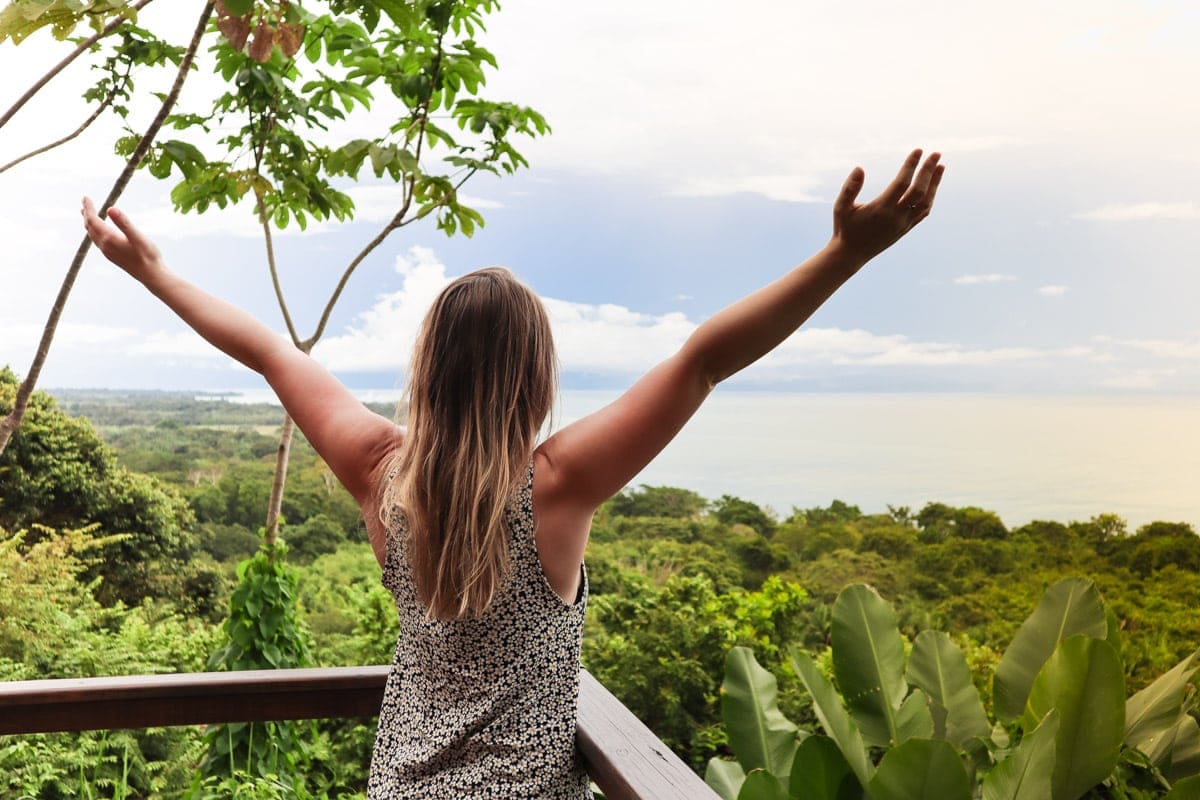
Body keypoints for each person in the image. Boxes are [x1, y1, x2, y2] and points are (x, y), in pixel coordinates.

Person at [82, 148, 944, 799]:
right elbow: (704, 361)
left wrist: (153, 271)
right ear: (535, 377)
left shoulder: (383, 472)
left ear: (431, 368)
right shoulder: (556, 483)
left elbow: (271, 352)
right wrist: (843, 256)